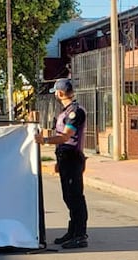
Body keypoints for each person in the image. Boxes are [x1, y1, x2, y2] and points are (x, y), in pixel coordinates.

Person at [34, 78, 88, 249]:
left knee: (75, 197)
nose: (55, 94)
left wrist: (45, 140)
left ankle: (80, 235)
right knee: (68, 196)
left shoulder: (75, 112)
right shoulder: (66, 111)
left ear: (60, 93)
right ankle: (72, 232)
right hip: (65, 158)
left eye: (56, 91)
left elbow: (65, 137)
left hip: (72, 157)